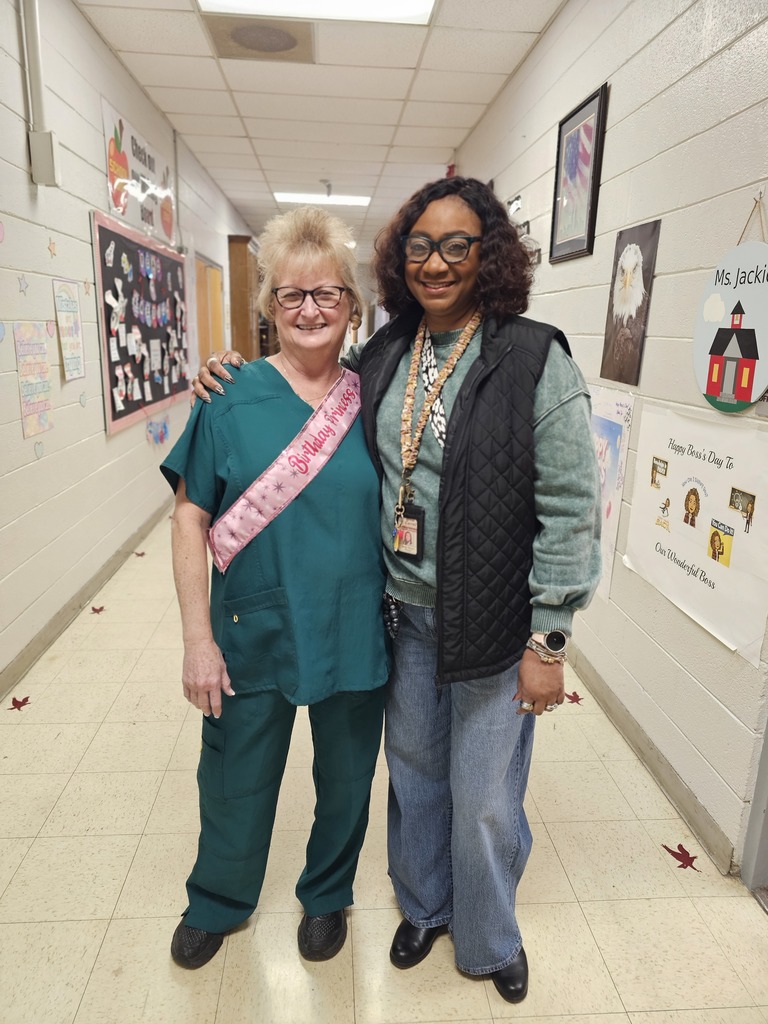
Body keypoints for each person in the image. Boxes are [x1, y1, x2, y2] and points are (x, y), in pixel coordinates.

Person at [196, 176, 601, 1004]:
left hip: (493, 622)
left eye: (458, 245)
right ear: (398, 261)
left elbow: (570, 506)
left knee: (485, 795)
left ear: (489, 255)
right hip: (401, 618)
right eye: (419, 246)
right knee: (414, 777)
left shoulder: (533, 356)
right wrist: (221, 373)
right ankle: (423, 907)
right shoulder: (382, 358)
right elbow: (299, 409)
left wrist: (548, 640)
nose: (437, 262)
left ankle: (488, 940)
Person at [161, 206, 389, 971]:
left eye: (326, 294)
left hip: (354, 623)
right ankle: (219, 901)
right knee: (234, 772)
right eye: (292, 296)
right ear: (269, 309)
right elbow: (189, 518)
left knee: (348, 776)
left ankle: (327, 896)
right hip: (251, 623)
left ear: (352, 306)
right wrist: (197, 640)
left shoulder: (377, 402)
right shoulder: (227, 396)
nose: (310, 310)